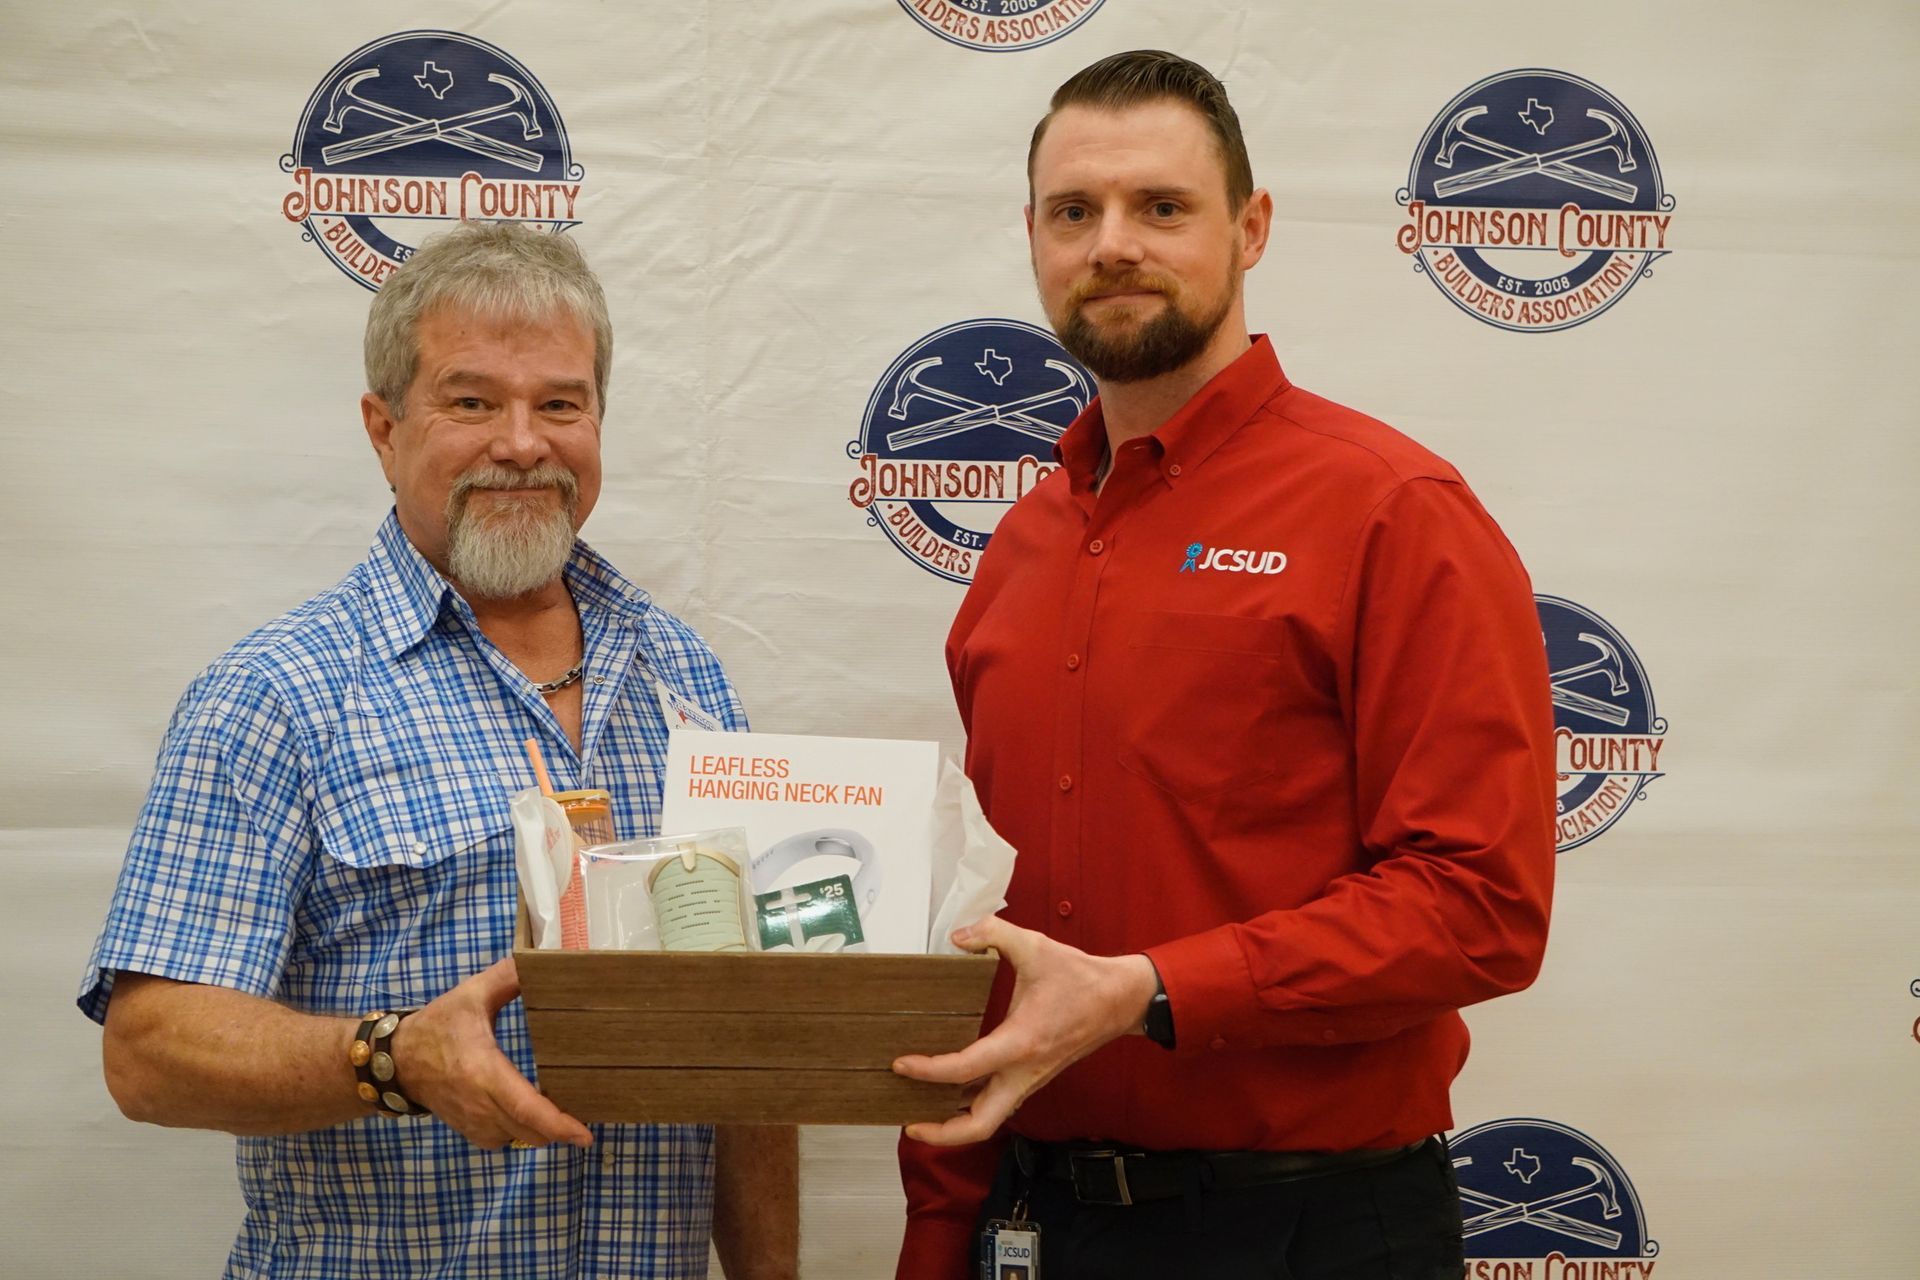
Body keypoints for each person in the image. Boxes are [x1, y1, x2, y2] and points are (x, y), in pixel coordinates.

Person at [893, 50, 1556, 1279]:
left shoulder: (1391, 511)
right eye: (1074, 212)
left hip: (1308, 1227)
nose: (1113, 244)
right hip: (1033, 1219)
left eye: (1163, 206)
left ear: (1250, 227)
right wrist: (940, 1228)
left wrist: (1155, 987)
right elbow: (987, 933)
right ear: (1032, 238)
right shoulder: (1024, 546)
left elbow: (1482, 904)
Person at [80, 222, 798, 1280]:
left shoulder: (685, 677)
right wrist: (390, 1056)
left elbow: (750, 1047)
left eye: (560, 402)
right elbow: (148, 1053)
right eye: (471, 402)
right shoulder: (277, 692)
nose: (522, 441)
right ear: (383, 427)